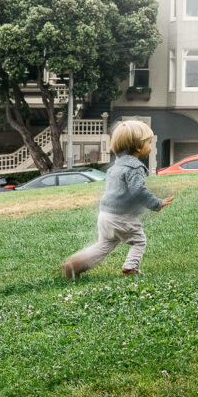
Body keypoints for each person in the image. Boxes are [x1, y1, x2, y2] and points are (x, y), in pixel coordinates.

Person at [61, 120, 174, 279]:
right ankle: (131, 267)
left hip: (105, 215)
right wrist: (156, 203)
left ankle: (77, 264)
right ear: (138, 147)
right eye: (149, 142)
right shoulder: (135, 167)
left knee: (104, 245)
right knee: (139, 241)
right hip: (122, 217)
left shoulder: (116, 167)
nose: (150, 146)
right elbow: (138, 190)